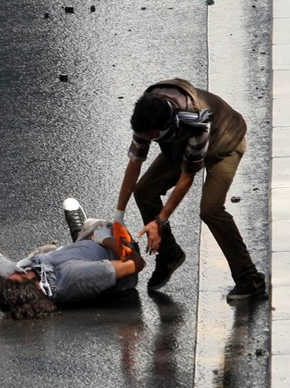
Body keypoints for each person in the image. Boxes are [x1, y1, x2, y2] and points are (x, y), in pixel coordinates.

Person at [113, 78, 265, 300]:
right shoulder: (149, 114)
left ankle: (250, 278)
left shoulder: (197, 124)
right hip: (180, 143)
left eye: (150, 137)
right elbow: (135, 164)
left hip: (225, 140)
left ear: (162, 130)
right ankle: (169, 253)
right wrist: (119, 216)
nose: (146, 140)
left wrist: (159, 221)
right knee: (144, 191)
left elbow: (187, 177)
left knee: (211, 210)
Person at [0, 198, 146, 320]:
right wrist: (105, 240)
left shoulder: (15, 275)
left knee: (40, 254)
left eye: (13, 275)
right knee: (97, 226)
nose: (17, 271)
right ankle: (83, 230)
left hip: (63, 257)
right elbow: (137, 264)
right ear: (37, 286)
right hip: (112, 252)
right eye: (22, 274)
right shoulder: (77, 278)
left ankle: (74, 240)